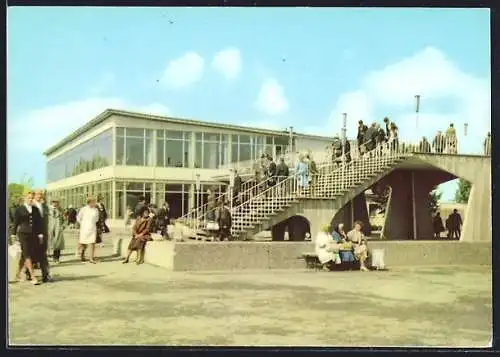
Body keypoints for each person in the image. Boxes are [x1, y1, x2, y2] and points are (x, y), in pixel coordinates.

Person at [12, 191, 44, 285]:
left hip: (33, 234)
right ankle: (33, 276)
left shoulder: (35, 209)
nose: (30, 199)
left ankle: (17, 274)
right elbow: (15, 223)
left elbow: (38, 223)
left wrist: (40, 233)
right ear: (25, 198)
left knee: (25, 256)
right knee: (27, 254)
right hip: (23, 234)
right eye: (29, 198)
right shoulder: (19, 209)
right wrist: (13, 235)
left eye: (32, 198)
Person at [33, 190, 51, 282]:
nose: (40, 196)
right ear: (34, 195)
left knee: (43, 255)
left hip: (44, 233)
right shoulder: (31, 206)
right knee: (33, 255)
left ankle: (45, 275)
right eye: (38, 194)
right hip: (33, 234)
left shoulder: (45, 207)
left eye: (41, 194)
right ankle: (29, 274)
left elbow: (46, 221)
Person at [77, 197, 100, 263]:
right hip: (84, 228)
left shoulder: (96, 210)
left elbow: (97, 219)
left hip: (92, 228)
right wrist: (82, 224)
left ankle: (91, 258)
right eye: (93, 202)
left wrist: (92, 223)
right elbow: (78, 218)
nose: (94, 203)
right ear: (89, 202)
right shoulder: (83, 209)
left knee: (92, 243)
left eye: (94, 202)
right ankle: (82, 255)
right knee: (83, 243)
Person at [48, 198, 65, 264]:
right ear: (51, 202)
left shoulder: (60, 210)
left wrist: (63, 225)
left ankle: (56, 257)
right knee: (49, 242)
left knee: (58, 243)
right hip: (50, 228)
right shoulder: (48, 209)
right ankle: (48, 255)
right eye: (54, 202)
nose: (55, 203)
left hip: (58, 227)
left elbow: (64, 218)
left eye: (57, 202)